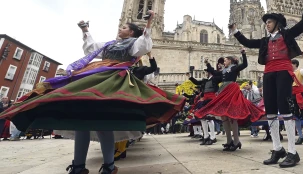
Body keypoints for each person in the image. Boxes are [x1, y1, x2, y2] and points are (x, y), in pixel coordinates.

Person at [0, 11, 185, 174]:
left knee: (103, 123)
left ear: (131, 32)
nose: (120, 29)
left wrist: (149, 24)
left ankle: (109, 166)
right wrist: (85, 29)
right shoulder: (111, 44)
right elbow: (91, 48)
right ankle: (79, 166)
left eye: (124, 27)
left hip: (112, 81)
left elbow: (144, 46)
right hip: (96, 75)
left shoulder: (135, 43)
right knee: (82, 122)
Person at [229, 0, 303, 167]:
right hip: (268, 74)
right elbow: (246, 42)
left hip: (283, 72)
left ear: (277, 23)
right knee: (270, 112)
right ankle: (277, 148)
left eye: (269, 21)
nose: (266, 24)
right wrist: (235, 31)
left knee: (286, 110)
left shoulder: (288, 35)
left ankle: (292, 151)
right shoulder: (264, 41)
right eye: (266, 22)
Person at [195, 48, 264, 151]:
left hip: (231, 91)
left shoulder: (234, 68)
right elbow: (213, 72)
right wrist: (207, 64)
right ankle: (229, 141)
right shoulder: (223, 71)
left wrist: (244, 54)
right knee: (224, 117)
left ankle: (236, 141)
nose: (224, 62)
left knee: (232, 117)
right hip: (224, 91)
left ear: (230, 61)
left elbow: (244, 65)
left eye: (226, 60)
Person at [190, 59, 222, 145]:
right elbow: (197, 82)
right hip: (205, 99)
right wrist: (190, 77)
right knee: (202, 118)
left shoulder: (215, 79)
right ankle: (206, 136)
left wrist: (212, 66)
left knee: (209, 118)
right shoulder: (205, 81)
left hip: (211, 99)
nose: (206, 73)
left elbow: (220, 76)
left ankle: (213, 136)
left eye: (207, 72)